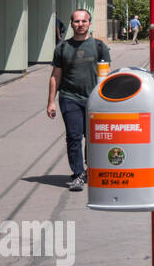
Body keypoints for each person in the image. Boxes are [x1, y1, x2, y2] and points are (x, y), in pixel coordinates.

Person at [46, 10, 111, 191]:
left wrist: (109, 101)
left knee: (92, 137)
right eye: (76, 21)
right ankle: (78, 174)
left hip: (95, 100)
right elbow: (55, 77)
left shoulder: (99, 47)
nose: (80, 24)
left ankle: (91, 170)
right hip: (69, 98)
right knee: (73, 137)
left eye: (84, 21)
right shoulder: (62, 48)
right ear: (72, 24)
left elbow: (106, 77)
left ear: (89, 23)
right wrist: (51, 102)